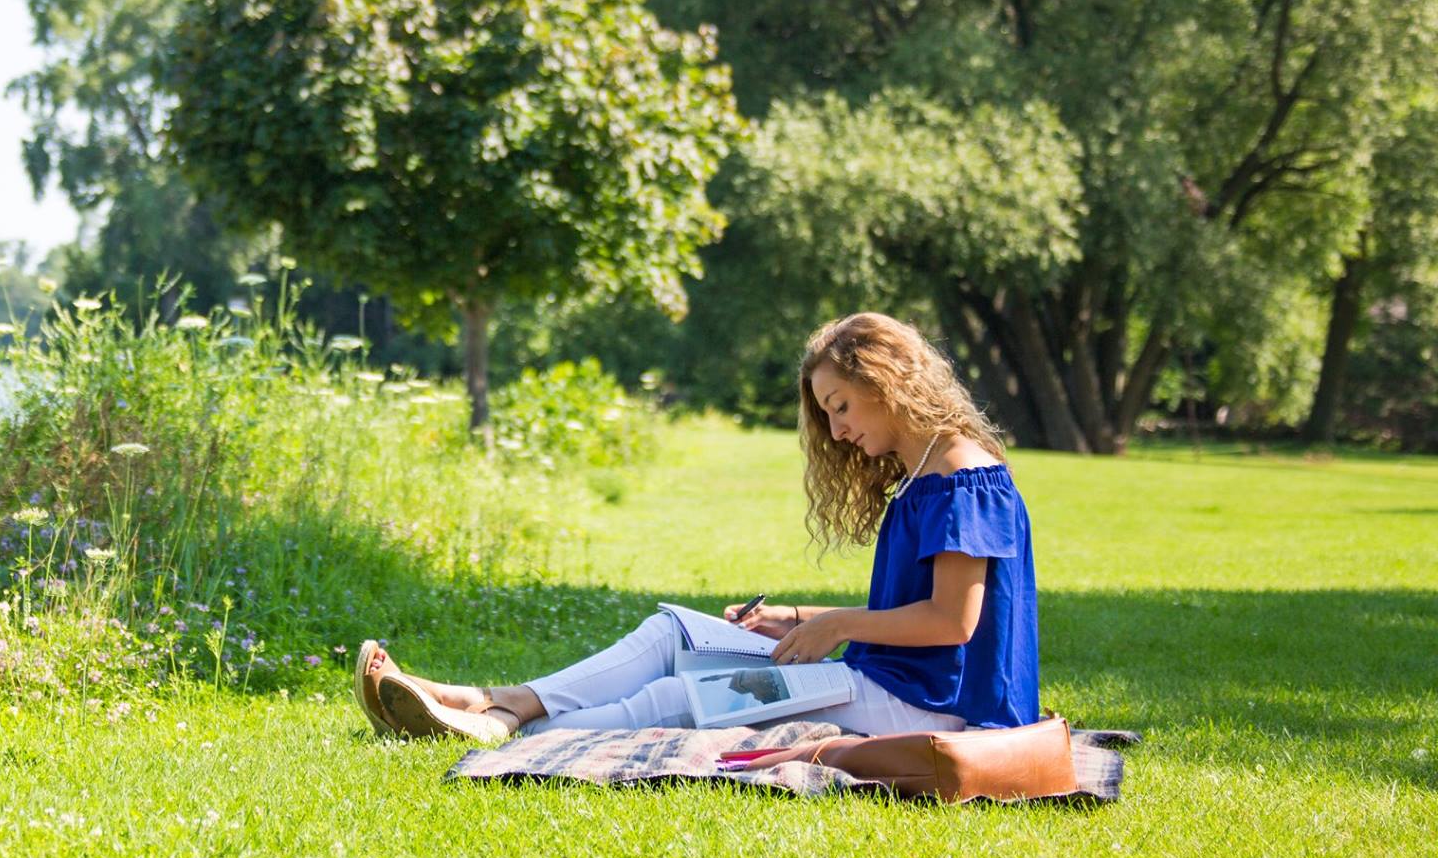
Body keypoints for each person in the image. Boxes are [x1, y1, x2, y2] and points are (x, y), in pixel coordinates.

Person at [356, 311, 1041, 743]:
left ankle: (496, 727)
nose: (836, 430)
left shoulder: (960, 472)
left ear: (885, 381)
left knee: (683, 697)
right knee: (673, 632)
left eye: (839, 407)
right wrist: (798, 617)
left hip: (933, 710)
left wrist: (836, 627)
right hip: (892, 681)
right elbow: (909, 616)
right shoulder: (923, 465)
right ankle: (498, 704)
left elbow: (953, 622)